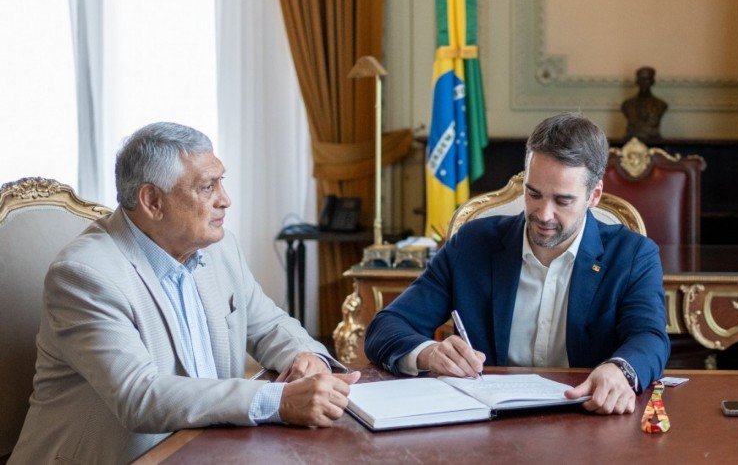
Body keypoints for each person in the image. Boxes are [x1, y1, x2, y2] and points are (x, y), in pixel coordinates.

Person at [10, 123, 359, 464]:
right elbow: (140, 396)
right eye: (207, 187)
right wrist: (277, 400)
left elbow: (268, 324)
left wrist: (303, 357)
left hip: (206, 446)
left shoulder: (219, 248)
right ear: (152, 201)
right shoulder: (85, 274)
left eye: (222, 182)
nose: (226, 200)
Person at [365, 113, 670, 415]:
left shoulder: (632, 255)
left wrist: (619, 370)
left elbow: (649, 337)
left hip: (584, 418)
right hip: (487, 425)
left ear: (594, 196)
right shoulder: (472, 245)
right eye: (533, 193)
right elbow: (386, 327)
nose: (544, 214)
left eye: (562, 201)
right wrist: (429, 354)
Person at [621, 66, 668, 139]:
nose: (644, 83)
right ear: (637, 81)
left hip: (654, 141)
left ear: (652, 81)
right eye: (641, 79)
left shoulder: (661, 105)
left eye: (647, 79)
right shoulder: (627, 104)